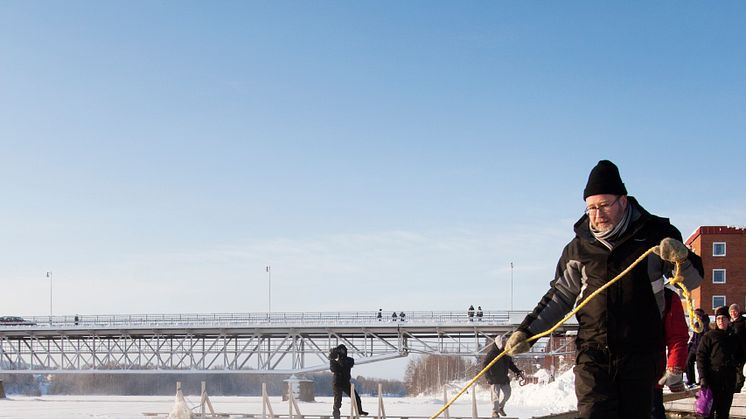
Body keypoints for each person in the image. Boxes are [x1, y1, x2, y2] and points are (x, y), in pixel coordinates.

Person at [503, 160, 704, 419]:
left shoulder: (656, 235)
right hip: (593, 353)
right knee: (593, 413)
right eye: (591, 208)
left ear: (622, 200)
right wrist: (527, 332)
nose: (597, 215)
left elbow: (692, 281)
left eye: (604, 206)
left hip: (640, 353)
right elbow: (560, 296)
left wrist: (682, 257)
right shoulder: (578, 248)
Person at [697, 306, 745, 419]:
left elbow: (741, 356)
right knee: (708, 412)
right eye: (718, 318)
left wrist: (737, 371)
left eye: (723, 318)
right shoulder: (709, 336)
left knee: (723, 413)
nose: (721, 321)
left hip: (728, 379)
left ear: (728, 320)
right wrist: (703, 377)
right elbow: (701, 357)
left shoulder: (734, 337)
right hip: (712, 378)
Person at [651, 287, 689, 419]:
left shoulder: (666, 296)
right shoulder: (603, 287)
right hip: (607, 375)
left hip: (649, 377)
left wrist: (675, 368)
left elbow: (677, 336)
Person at [483, 335, 525, 417]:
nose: (505, 343)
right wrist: (488, 377)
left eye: (505, 342)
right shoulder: (492, 353)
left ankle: (500, 407)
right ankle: (495, 411)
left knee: (507, 393)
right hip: (494, 378)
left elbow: (510, 364)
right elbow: (485, 365)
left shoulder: (506, 353)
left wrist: (517, 371)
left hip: (503, 378)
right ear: (499, 342)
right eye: (503, 342)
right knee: (495, 396)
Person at [329, 344, 367, 418]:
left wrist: (337, 359)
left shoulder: (349, 360)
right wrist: (332, 359)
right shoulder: (336, 361)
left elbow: (346, 364)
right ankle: (336, 415)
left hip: (346, 383)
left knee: (356, 397)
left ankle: (359, 411)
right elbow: (333, 369)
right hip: (337, 383)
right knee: (337, 401)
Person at [686, 308, 711, 386]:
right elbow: (694, 336)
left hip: (701, 348)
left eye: (697, 315)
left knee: (700, 365)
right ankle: (691, 380)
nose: (695, 317)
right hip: (694, 347)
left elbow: (706, 334)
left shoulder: (705, 323)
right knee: (688, 362)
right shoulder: (696, 324)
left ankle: (702, 380)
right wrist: (690, 345)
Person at [729, 303, 746, 392]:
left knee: (740, 369)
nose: (733, 313)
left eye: (735, 311)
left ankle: (739, 387)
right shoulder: (729, 322)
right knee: (733, 369)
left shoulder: (743, 321)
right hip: (732, 350)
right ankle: (734, 385)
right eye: (731, 311)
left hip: (742, 349)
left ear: (738, 311)